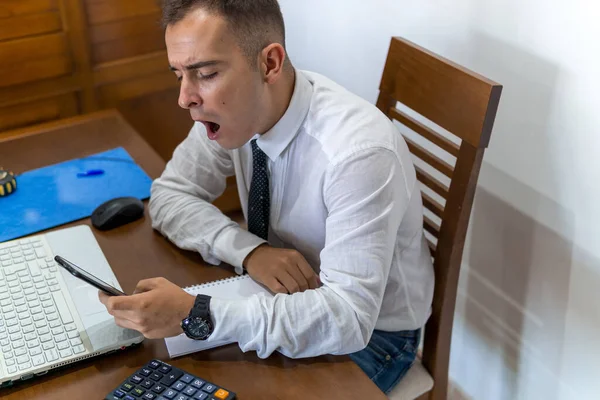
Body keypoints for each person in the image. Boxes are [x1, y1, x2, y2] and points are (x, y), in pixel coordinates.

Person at [98, 0, 434, 394]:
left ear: (270, 63)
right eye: (179, 76)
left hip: (375, 335)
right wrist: (248, 251)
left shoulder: (357, 153)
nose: (185, 97)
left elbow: (349, 317)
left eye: (204, 73)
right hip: (276, 294)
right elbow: (171, 194)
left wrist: (199, 316)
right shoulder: (233, 112)